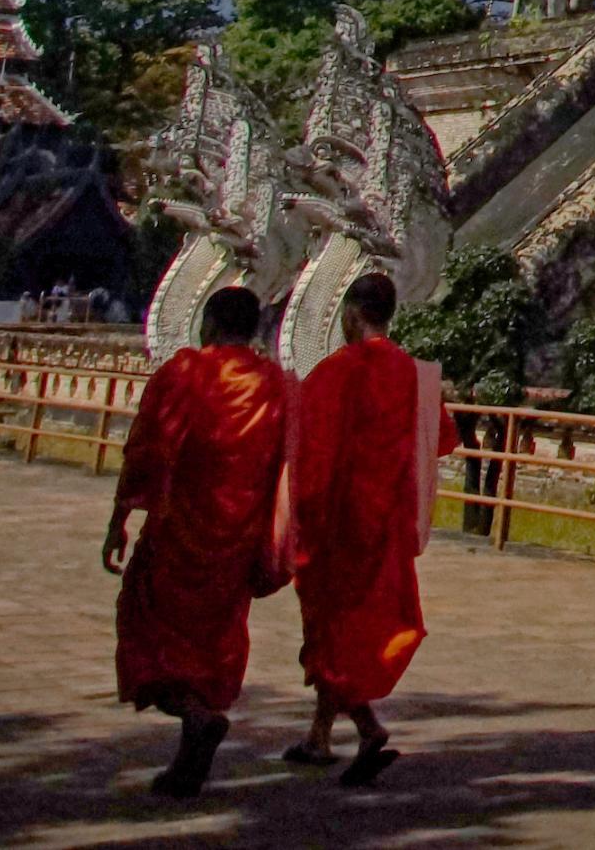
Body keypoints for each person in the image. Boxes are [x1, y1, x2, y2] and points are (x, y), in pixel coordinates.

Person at [101, 282, 293, 799]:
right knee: (210, 647)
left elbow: (146, 450)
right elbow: (288, 466)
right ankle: (192, 744)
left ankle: (195, 716)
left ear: (207, 324)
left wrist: (119, 519)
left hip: (177, 533)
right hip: (236, 541)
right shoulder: (275, 385)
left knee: (146, 634)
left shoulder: (184, 373)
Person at [282, 270, 457, 788]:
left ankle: (366, 727)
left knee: (332, 633)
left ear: (352, 315)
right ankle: (319, 735)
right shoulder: (416, 377)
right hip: (387, 530)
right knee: (351, 633)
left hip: (338, 527)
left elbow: (306, 450)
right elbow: (442, 440)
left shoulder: (336, 373)